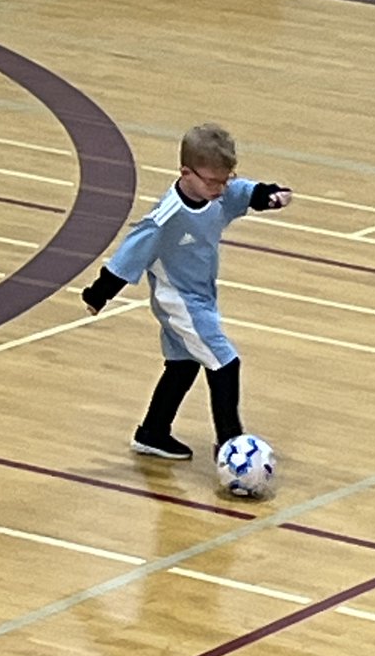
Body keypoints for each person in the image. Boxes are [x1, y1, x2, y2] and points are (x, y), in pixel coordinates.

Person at [82, 122, 292, 460]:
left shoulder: (219, 195)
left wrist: (271, 195)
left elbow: (247, 192)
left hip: (202, 297)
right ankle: (230, 445)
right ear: (185, 172)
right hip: (178, 300)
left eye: (225, 179)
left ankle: (152, 432)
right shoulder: (166, 217)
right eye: (213, 181)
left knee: (183, 365)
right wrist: (99, 293)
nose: (221, 188)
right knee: (225, 362)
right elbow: (130, 253)